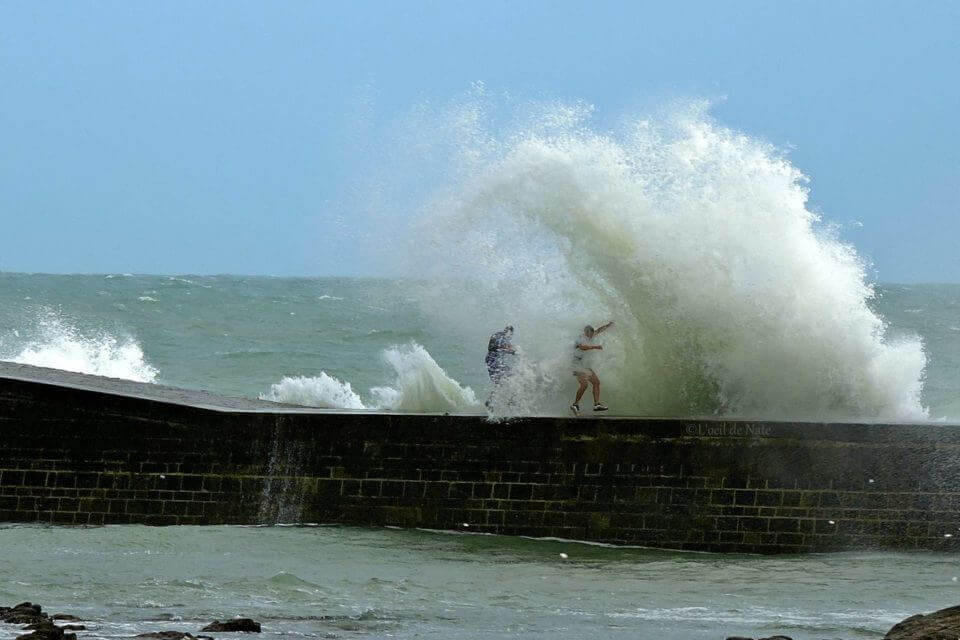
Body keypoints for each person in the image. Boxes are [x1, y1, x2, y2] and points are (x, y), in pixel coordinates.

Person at [571, 321, 614, 413]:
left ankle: (597, 405)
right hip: (577, 364)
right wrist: (595, 347)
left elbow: (599, 330)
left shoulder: (592, 334)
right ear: (586, 332)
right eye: (590, 334)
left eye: (592, 334)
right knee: (584, 385)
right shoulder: (580, 338)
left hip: (585, 365)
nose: (591, 336)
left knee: (596, 383)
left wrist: (608, 325)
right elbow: (582, 347)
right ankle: (575, 405)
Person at [485, 325, 516, 407]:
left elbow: (508, 348)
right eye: (510, 333)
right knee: (501, 381)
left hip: (495, 362)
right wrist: (513, 351)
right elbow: (499, 348)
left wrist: (512, 350)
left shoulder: (500, 337)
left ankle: (510, 400)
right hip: (494, 362)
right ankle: (492, 401)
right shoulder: (499, 337)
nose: (511, 335)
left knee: (509, 378)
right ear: (508, 331)